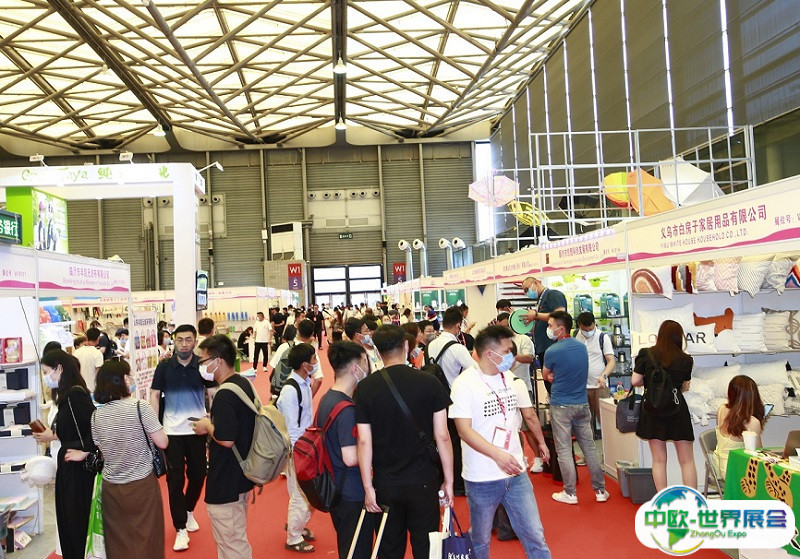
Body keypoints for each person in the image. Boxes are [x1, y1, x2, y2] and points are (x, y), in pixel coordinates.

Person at [449, 326, 551, 559]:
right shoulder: (464, 384)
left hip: (516, 474)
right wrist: (497, 455)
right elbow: (463, 430)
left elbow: (528, 416)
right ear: (489, 354)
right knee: (480, 540)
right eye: (506, 351)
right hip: (481, 477)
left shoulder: (513, 380)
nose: (511, 356)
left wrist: (539, 443)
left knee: (535, 535)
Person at [355, 324, 454, 559]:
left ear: (377, 351)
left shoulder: (365, 388)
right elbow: (442, 436)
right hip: (424, 480)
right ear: (407, 346)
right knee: (426, 546)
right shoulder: (430, 382)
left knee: (389, 547)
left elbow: (364, 441)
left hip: (386, 482)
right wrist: (449, 481)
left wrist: (368, 487)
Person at [91, 360, 168, 559]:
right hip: (141, 484)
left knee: (117, 542)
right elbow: (163, 442)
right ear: (124, 379)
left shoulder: (96, 416)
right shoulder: (140, 407)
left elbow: (102, 451)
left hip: (111, 487)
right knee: (147, 539)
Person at [149, 324, 216, 551]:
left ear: (195, 342)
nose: (184, 344)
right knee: (174, 480)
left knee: (199, 474)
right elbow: (154, 395)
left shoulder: (203, 366)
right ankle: (180, 528)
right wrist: (155, 427)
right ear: (174, 341)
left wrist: (213, 421)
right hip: (171, 432)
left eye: (188, 340)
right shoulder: (164, 367)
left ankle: (188, 510)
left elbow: (212, 393)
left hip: (197, 429)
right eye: (180, 340)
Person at [193, 335, 257, 559]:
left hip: (226, 481)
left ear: (218, 361)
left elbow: (226, 438)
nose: (202, 367)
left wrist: (207, 426)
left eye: (203, 361)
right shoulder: (243, 384)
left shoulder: (225, 395)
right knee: (231, 540)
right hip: (241, 474)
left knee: (232, 544)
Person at [33, 350, 96, 559]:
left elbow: (94, 426)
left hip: (77, 469)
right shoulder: (66, 395)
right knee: (70, 518)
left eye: (46, 372)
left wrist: (84, 451)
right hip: (68, 463)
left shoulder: (75, 394)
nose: (45, 377)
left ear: (59, 368)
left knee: (76, 519)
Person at [543, 311, 608, 505]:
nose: (549, 329)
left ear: (561, 328)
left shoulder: (552, 351)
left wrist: (553, 375)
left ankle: (570, 493)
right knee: (589, 447)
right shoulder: (581, 348)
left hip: (561, 405)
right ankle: (600, 490)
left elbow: (546, 374)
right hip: (581, 403)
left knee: (564, 450)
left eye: (551, 325)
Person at [318, 341, 374, 559]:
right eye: (365, 362)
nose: (367, 367)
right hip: (352, 492)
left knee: (348, 548)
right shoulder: (347, 410)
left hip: (336, 488)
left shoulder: (327, 398)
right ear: (354, 367)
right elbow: (350, 457)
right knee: (357, 551)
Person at [631, 319, 696, 491]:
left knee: (659, 460)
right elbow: (685, 386)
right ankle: (693, 501)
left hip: (653, 409)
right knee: (687, 460)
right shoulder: (686, 359)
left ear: (659, 336)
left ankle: (662, 500)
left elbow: (635, 380)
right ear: (679, 337)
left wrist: (650, 382)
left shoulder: (646, 354)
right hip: (677, 410)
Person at [427, 306, 476, 495]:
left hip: (433, 399)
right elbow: (475, 370)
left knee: (439, 440)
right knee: (455, 442)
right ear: (458, 326)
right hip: (454, 399)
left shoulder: (431, 345)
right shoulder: (457, 348)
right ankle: (457, 483)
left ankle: (442, 478)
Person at [277, 343, 317, 553]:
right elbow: (291, 426)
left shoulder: (305, 383)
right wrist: (299, 455)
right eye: (313, 360)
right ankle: (293, 537)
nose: (316, 363)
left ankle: (297, 526)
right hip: (297, 451)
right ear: (304, 365)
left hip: (305, 447)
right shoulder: (290, 391)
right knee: (301, 495)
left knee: (304, 494)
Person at [495, 312, 539, 472]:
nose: (505, 329)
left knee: (528, 427)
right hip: (504, 391)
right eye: (502, 327)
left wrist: (512, 357)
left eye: (507, 326)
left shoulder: (523, 339)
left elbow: (530, 357)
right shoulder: (498, 343)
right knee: (512, 427)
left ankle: (538, 457)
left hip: (523, 387)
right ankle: (520, 457)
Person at [521, 276, 567, 394]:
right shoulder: (540, 301)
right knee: (549, 385)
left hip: (553, 347)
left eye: (527, 289)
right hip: (543, 349)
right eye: (524, 291)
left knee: (555, 385)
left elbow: (560, 315)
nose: (526, 293)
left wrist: (536, 315)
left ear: (536, 283)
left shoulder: (553, 295)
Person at [715, 375, 766, 478]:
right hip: (736, 472)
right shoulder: (752, 422)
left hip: (719, 467)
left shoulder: (722, 409)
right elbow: (758, 451)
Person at [574, 312, 615, 427]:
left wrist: (604, 376)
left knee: (605, 420)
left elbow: (611, 361)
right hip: (581, 387)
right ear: (579, 325)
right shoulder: (575, 336)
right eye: (585, 330)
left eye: (590, 329)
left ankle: (607, 439)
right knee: (583, 422)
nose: (588, 332)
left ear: (594, 323)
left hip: (599, 386)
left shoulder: (603, 337)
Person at [296, 319, 325, 395]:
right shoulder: (311, 353)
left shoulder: (286, 346)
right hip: (302, 391)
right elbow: (318, 379)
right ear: (312, 334)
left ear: (298, 332)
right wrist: (310, 397)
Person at [73, 327, 104, 391]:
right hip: (92, 388)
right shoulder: (97, 353)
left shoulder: (76, 352)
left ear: (86, 337)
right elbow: (99, 374)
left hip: (79, 388)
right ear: (98, 338)